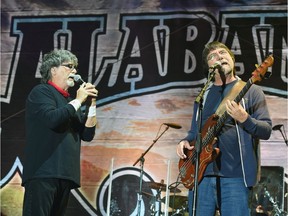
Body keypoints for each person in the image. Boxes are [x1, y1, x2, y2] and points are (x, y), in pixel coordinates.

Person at [176, 41, 272, 216]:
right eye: (213, 56)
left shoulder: (251, 91)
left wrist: (245, 119)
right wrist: (184, 142)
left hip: (235, 177)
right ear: (209, 67)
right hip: (201, 177)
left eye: (223, 53)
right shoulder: (203, 96)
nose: (219, 57)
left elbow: (266, 130)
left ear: (232, 60)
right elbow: (193, 132)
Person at [22, 49, 98, 216]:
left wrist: (92, 105)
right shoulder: (42, 92)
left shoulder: (71, 102)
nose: (75, 71)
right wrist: (79, 100)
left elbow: (87, 135)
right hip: (43, 172)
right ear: (53, 69)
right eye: (69, 66)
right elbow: (52, 119)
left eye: (75, 67)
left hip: (65, 174)